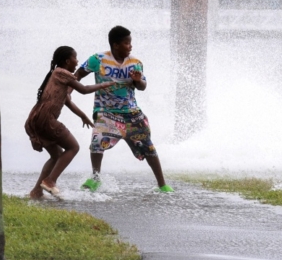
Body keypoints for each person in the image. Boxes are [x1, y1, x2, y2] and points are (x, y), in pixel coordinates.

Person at [75, 26, 174, 193]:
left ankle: (162, 185)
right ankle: (95, 178)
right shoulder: (97, 59)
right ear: (116, 45)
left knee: (148, 147)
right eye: (127, 43)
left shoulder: (135, 63)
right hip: (106, 111)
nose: (130, 46)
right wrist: (67, 91)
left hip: (131, 113)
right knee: (97, 140)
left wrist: (137, 80)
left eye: (130, 43)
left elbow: (142, 87)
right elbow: (77, 76)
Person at [25, 46, 116, 198]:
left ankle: (36, 191)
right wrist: (103, 85)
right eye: (75, 58)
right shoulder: (62, 72)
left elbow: (67, 102)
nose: (77, 61)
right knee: (73, 147)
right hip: (46, 119)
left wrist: (83, 116)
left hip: (35, 119)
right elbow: (84, 89)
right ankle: (50, 180)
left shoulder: (57, 77)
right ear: (68, 61)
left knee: (56, 155)